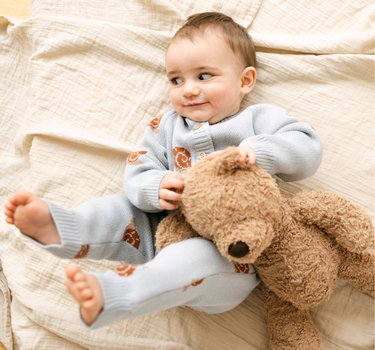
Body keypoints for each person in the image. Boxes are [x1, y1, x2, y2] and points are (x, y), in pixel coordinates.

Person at [4, 12, 323, 329]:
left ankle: (121, 292)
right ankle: (67, 228)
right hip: (162, 231)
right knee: (119, 210)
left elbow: (307, 146)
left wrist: (259, 152)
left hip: (231, 257)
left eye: (204, 76)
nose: (188, 90)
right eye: (176, 79)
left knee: (196, 255)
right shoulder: (165, 127)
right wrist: (154, 187)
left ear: (245, 80)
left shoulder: (256, 120)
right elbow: (137, 170)